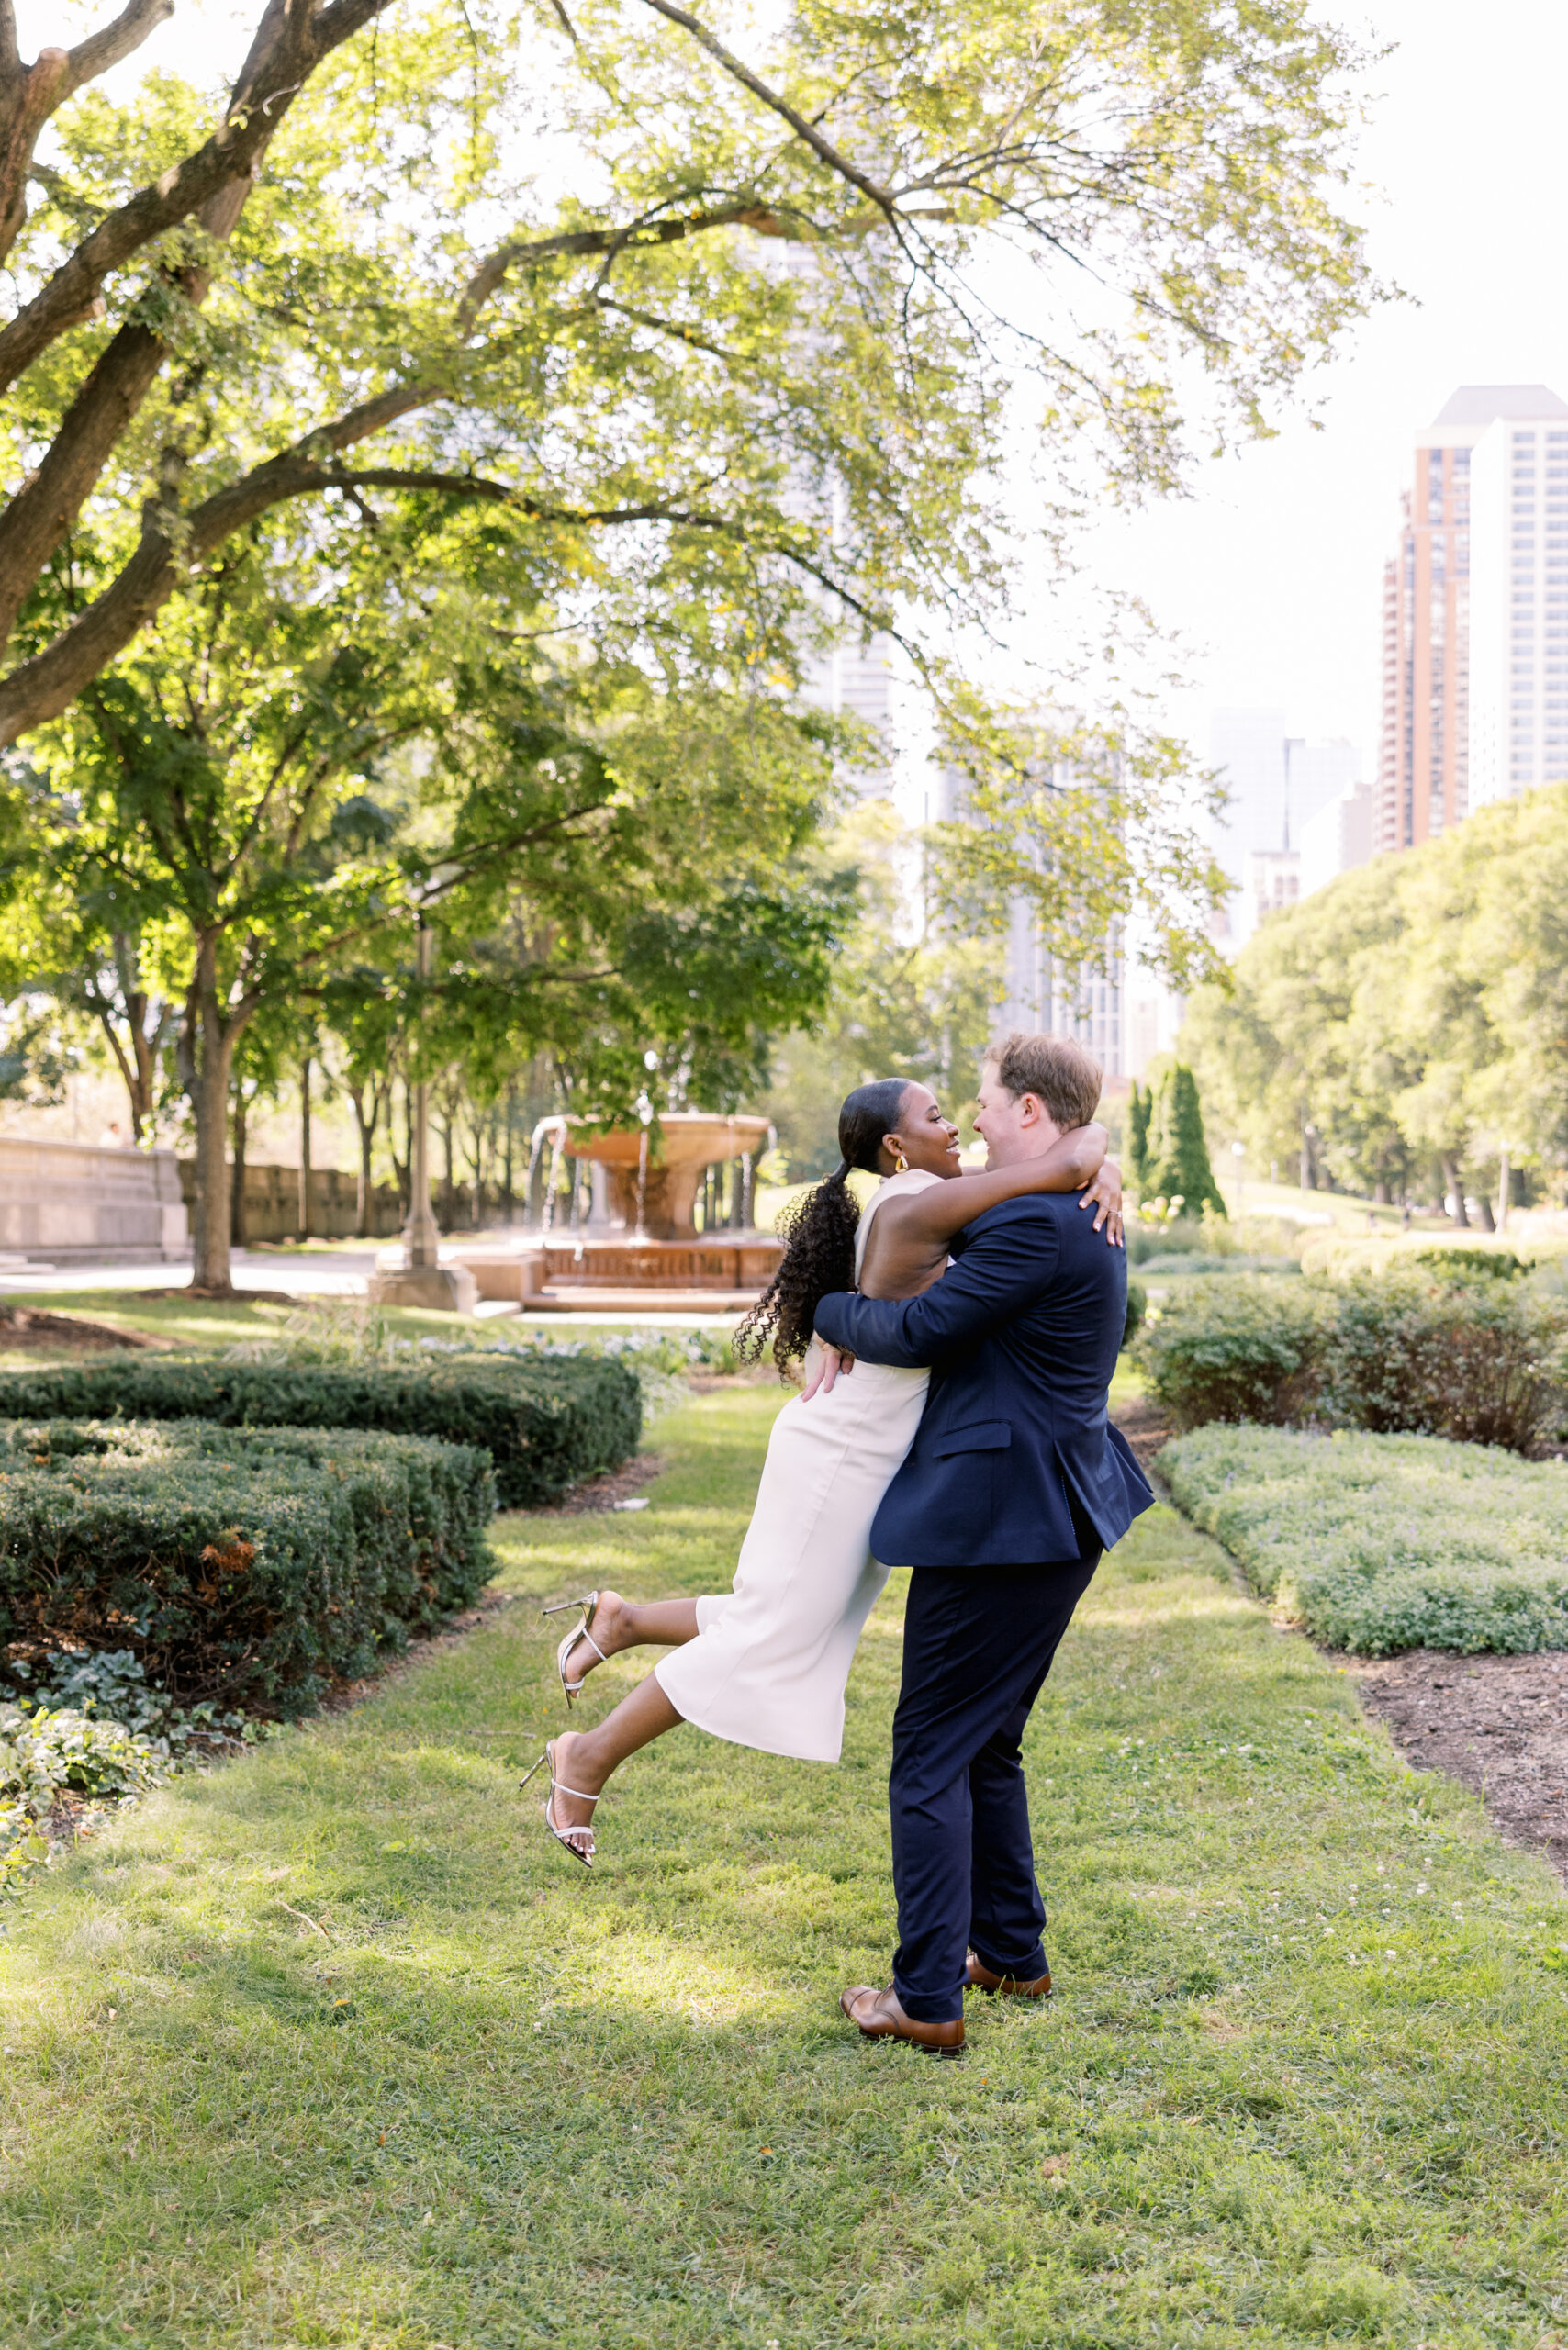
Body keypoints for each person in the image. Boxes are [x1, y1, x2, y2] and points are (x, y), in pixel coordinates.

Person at [521, 1071, 1125, 1865]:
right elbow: (1053, 1167)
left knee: (794, 1613)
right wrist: (1094, 1156)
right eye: (937, 1117)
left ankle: (623, 1621)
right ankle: (587, 1756)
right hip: (842, 1452)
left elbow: (1040, 1173)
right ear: (894, 1147)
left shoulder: (929, 1192)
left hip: (868, 1452)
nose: (960, 1128)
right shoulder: (915, 1200)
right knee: (774, 1630)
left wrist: (1098, 1164)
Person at [813, 1032, 1154, 2057]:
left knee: (927, 1752)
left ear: (1035, 1116)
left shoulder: (1038, 1225)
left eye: (988, 1102)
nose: (974, 1116)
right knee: (985, 1744)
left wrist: (823, 1311)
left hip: (1004, 1522)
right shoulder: (1062, 1207)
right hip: (1049, 1514)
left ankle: (923, 1998)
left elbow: (915, 1331)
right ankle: (1008, 1950)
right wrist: (1095, 1157)